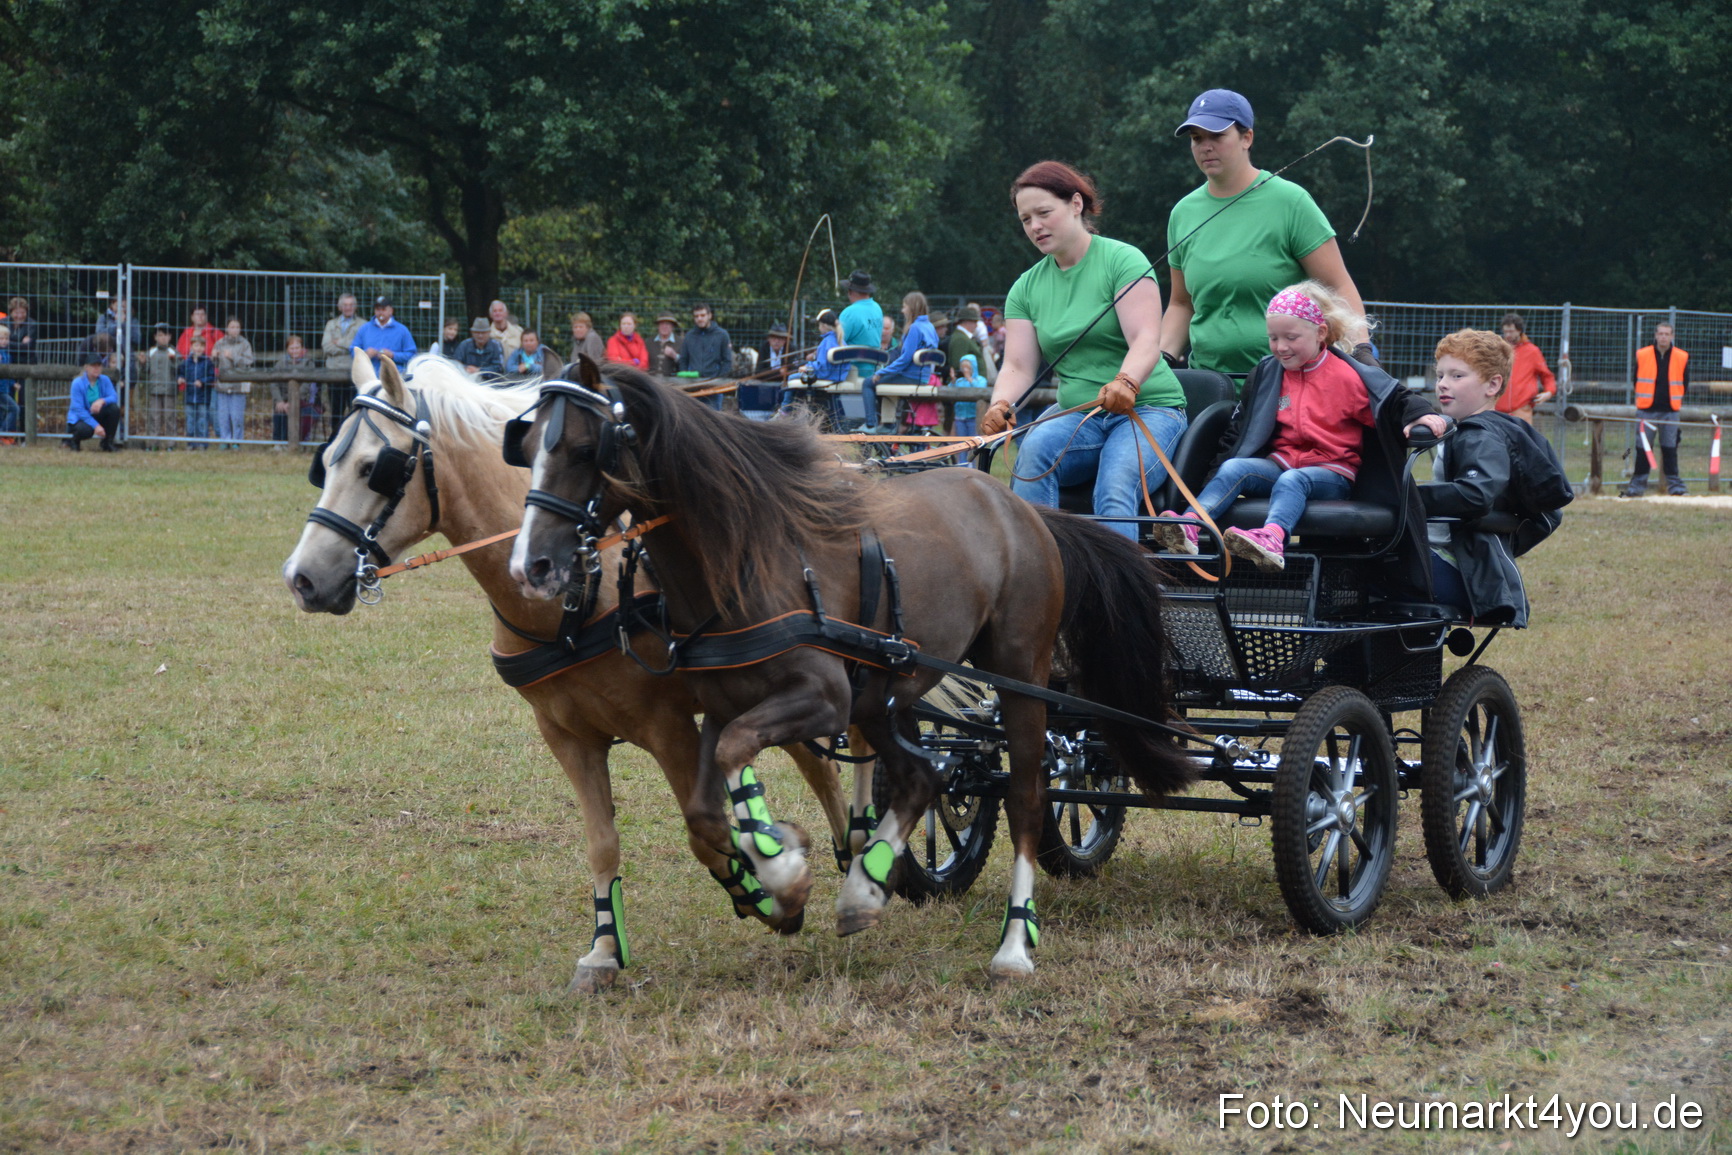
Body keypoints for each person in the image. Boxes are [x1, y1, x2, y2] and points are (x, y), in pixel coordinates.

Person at [1153, 281, 1444, 570]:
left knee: (1293, 480)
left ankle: (1272, 538)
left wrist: (1419, 414)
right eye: (1273, 338)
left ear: (1321, 333)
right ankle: (1191, 524)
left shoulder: (1347, 377)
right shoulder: (1269, 375)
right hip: (1282, 463)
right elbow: (1239, 430)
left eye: (1291, 337)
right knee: (1235, 468)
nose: (1281, 347)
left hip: (1331, 472)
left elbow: (1390, 400)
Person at [978, 161, 1191, 542]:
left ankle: (1119, 580)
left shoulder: (1123, 260)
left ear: (1076, 204)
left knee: (1116, 481)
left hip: (1149, 409)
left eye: (1044, 213)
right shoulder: (1024, 289)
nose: (1035, 226)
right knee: (1031, 458)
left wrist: (1127, 381)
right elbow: (1018, 366)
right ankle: (1042, 571)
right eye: (1026, 219)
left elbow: (1146, 339)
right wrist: (1000, 404)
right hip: (1079, 415)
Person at [1160, 89, 1372, 379]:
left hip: (1288, 382)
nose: (1205, 147)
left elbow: (1337, 287)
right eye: (1197, 138)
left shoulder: (1291, 202)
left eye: (1217, 136)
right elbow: (1181, 303)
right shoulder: (1183, 213)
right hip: (1209, 383)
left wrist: (1361, 351)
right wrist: (1161, 359)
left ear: (1247, 138)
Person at [1420, 328, 1569, 624]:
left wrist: (1408, 495)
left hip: (1455, 567)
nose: (1443, 384)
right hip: (1457, 562)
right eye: (1440, 375)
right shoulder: (1478, 427)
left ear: (1493, 384)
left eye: (1457, 376)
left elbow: (1476, 494)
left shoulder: (1479, 435)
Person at [1621, 321, 1691, 497]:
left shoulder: (1681, 356)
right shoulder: (1642, 354)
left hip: (1670, 410)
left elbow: (1685, 382)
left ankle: (1675, 486)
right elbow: (1636, 380)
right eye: (1660, 333)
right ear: (1655, 335)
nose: (1663, 337)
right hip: (1646, 410)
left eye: (1667, 334)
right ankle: (1637, 486)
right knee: (1643, 449)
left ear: (1672, 336)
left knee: (1670, 448)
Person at [866, 292, 939, 433]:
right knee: (886, 382)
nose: (902, 310)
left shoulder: (915, 328)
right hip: (924, 377)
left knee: (868, 383)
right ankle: (888, 424)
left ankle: (870, 425)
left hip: (911, 376)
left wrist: (881, 372)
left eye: (904, 307)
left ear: (912, 308)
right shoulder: (929, 326)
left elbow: (905, 359)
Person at [789, 307, 847, 428]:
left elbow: (821, 366)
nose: (818, 328)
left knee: (791, 378)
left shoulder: (826, 342)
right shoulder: (840, 340)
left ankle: (786, 411)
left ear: (824, 325)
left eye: (819, 325)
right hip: (838, 376)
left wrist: (807, 367)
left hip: (825, 375)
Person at [1494, 312, 1557, 425]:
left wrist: (1549, 392)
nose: (1507, 335)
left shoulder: (1532, 351)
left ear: (1519, 330)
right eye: (1505, 331)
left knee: (1522, 436)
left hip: (1522, 409)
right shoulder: (1498, 350)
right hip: (1497, 409)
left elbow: (1547, 376)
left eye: (1511, 331)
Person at [321, 293, 363, 433]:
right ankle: (335, 438)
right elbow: (326, 347)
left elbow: (360, 347)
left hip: (354, 373)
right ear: (339, 307)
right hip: (333, 373)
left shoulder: (363, 325)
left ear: (355, 307)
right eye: (345, 305)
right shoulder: (331, 324)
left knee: (355, 409)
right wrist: (349, 346)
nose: (348, 308)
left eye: (351, 305)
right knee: (336, 410)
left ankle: (354, 437)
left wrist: (339, 342)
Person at [211, 316, 255, 449]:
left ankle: (236, 441)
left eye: (237, 327)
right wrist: (213, 357)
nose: (235, 330)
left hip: (239, 385)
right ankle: (225, 440)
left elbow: (248, 363)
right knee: (223, 416)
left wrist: (233, 357)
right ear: (226, 329)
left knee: (237, 416)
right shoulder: (219, 343)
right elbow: (215, 365)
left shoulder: (245, 344)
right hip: (223, 385)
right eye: (232, 327)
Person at [838, 270, 885, 386]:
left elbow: (837, 342)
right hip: (874, 370)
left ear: (850, 291)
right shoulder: (877, 308)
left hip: (852, 373)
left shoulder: (849, 313)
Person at [67, 354, 122, 451]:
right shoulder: (77, 383)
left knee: (114, 409)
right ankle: (74, 441)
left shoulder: (105, 380)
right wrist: (96, 426)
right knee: (86, 430)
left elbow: (114, 396)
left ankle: (107, 443)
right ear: (86, 367)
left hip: (96, 414)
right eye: (93, 366)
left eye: (99, 365)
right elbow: (78, 409)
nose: (97, 368)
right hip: (80, 418)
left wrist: (102, 401)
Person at [350, 295, 418, 371]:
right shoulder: (364, 329)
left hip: (394, 374)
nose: (380, 313)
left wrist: (393, 355)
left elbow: (411, 354)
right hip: (369, 373)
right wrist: (365, 354)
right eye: (378, 309)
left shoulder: (402, 330)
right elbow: (353, 350)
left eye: (383, 309)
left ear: (391, 311)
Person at [273, 334, 318, 445]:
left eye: (297, 348)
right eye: (292, 348)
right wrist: (279, 401)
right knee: (280, 410)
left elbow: (306, 385)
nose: (294, 351)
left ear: (302, 348)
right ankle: (278, 442)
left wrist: (292, 401)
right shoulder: (280, 363)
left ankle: (294, 442)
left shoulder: (309, 363)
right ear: (287, 349)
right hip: (283, 399)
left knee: (295, 411)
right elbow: (274, 383)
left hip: (302, 399)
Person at [139, 324, 179, 447]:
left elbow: (179, 369)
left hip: (169, 390)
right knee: (154, 416)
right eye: (160, 335)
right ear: (155, 337)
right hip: (154, 390)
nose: (163, 338)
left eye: (166, 335)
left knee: (169, 417)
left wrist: (173, 360)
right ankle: (153, 443)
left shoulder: (174, 352)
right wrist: (143, 363)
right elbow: (144, 373)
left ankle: (171, 443)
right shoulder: (151, 352)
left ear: (170, 337)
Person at [678, 303, 733, 377]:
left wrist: (720, 379)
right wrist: (685, 377)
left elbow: (727, 361)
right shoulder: (689, 336)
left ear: (710, 316)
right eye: (696, 316)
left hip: (715, 380)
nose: (699, 319)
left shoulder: (722, 335)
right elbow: (683, 360)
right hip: (692, 380)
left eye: (702, 315)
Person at [179, 336, 216, 448]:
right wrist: (180, 378)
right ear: (191, 347)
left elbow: (212, 377)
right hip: (189, 397)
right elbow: (181, 373)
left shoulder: (207, 362)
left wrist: (202, 381)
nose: (198, 348)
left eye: (201, 346)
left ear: (204, 348)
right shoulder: (186, 362)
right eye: (196, 345)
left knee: (202, 421)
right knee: (190, 421)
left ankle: (203, 443)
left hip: (203, 397)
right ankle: (191, 443)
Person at [649, 311, 682, 376]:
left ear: (672, 326)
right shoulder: (649, 342)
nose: (664, 326)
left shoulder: (681, 342)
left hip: (672, 380)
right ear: (658, 326)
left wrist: (675, 356)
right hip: (651, 380)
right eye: (662, 324)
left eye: (667, 324)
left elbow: (686, 364)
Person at [0, 325, 18, 438]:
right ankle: (3, 432)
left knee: (2, 413)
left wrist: (13, 383)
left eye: (6, 338)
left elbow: (8, 373)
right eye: (1, 338)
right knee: (14, 409)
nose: (4, 341)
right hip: (1, 390)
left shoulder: (7, 354)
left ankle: (3, 435)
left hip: (5, 389)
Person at [6, 298, 36, 364]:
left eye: (23, 312)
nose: (20, 316)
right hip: (6, 361)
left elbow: (27, 346)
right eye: (16, 313)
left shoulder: (31, 324)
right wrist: (20, 344)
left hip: (27, 362)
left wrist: (6, 342)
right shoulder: (3, 322)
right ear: (11, 312)